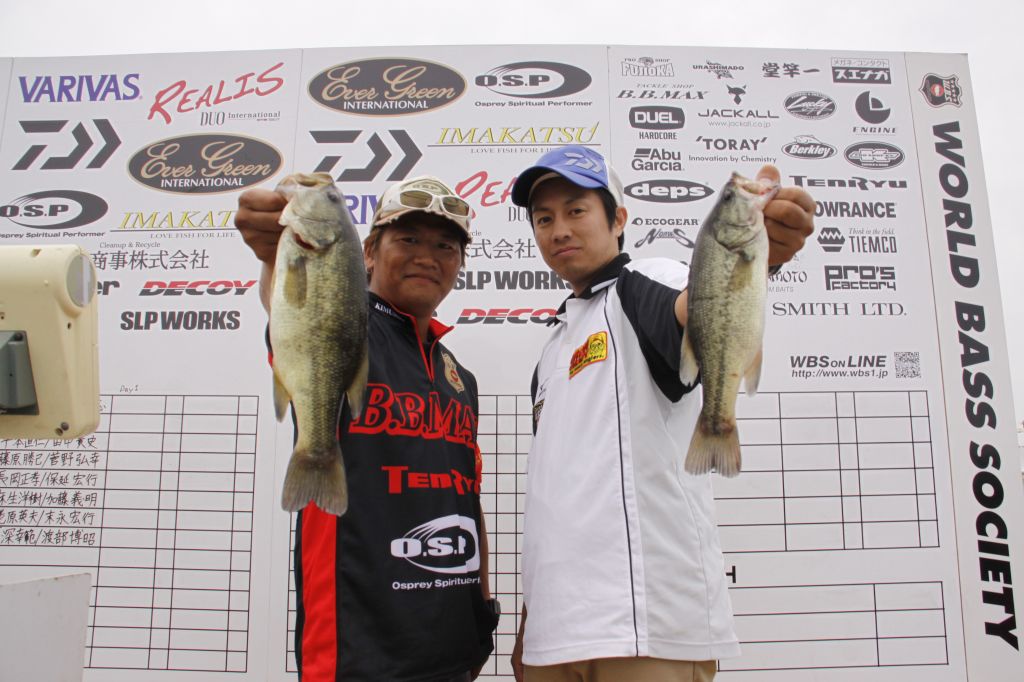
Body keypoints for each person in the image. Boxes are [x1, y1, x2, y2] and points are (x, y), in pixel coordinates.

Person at [508, 146, 815, 682]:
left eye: (576, 210)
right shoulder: (553, 345)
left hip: (649, 629)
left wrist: (759, 254)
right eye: (544, 218)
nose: (559, 230)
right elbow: (555, 497)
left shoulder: (646, 280)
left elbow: (698, 304)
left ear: (618, 219)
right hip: (554, 638)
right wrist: (532, 621)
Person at [235, 175, 499, 681]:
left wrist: (482, 609)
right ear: (369, 254)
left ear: (459, 265)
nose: (427, 256)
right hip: (359, 654)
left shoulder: (459, 377)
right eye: (408, 239)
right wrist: (275, 253)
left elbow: (467, 499)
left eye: (445, 246)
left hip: (455, 654)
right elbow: (290, 301)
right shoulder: (343, 320)